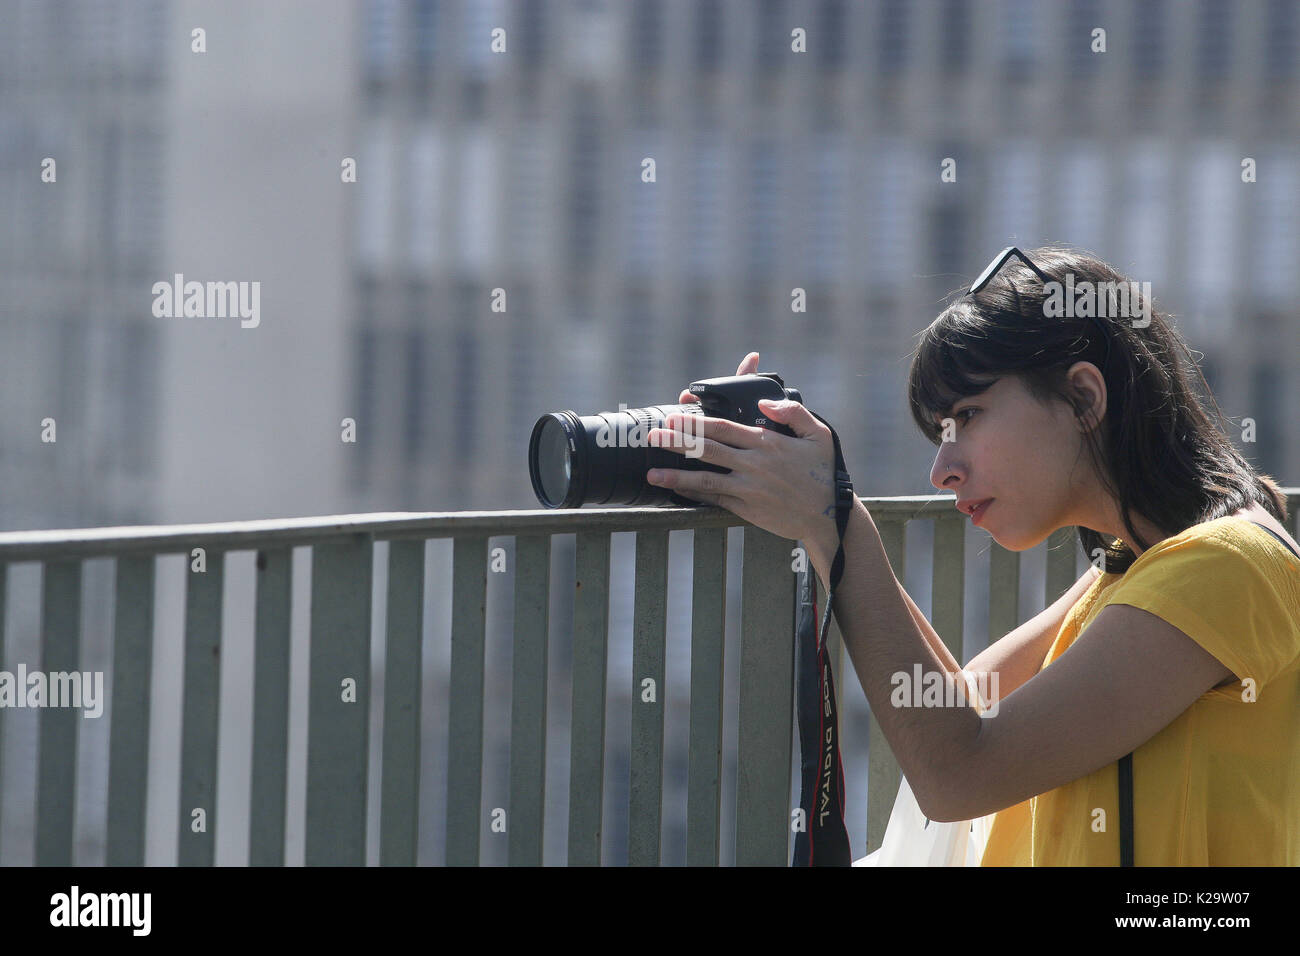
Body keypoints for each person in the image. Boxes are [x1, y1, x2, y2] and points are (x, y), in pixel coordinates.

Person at [644, 245, 1300, 865]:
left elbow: (960, 772)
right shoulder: (1138, 566)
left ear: (1084, 398)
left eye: (968, 416)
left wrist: (839, 523)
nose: (942, 469)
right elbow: (961, 705)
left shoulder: (1225, 565)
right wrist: (823, 518)